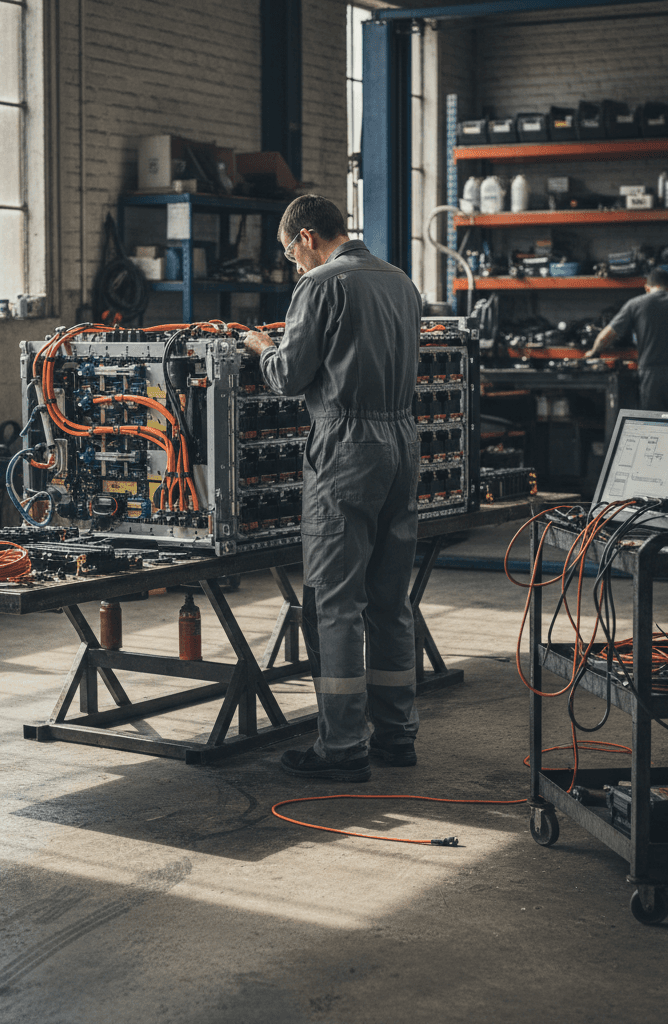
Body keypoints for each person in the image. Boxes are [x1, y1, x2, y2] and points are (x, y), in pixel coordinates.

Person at [242, 195, 423, 783]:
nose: (293, 264)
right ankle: (396, 735)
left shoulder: (321, 284)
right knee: (391, 599)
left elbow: (290, 378)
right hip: (402, 440)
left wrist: (260, 347)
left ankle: (342, 745)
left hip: (347, 446)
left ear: (308, 237)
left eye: (290, 251)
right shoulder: (399, 281)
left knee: (336, 601)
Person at [584, 268, 668, 412]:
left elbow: (606, 336)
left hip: (651, 373)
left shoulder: (635, 304)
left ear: (647, 288)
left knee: (653, 425)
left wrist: (593, 352)